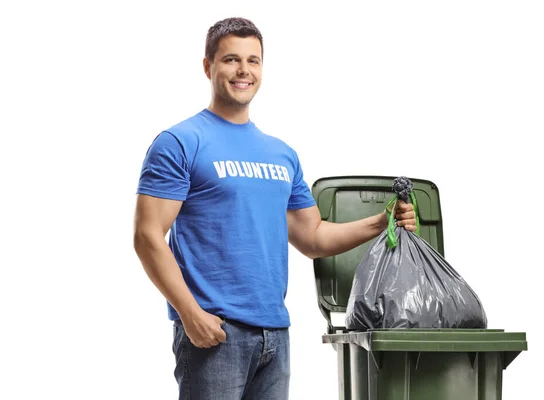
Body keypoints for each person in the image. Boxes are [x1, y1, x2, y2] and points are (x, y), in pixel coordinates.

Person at [133, 17, 416, 400]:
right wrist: (189, 313)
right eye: (231, 59)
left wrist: (382, 223)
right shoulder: (180, 142)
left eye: (254, 60)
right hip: (215, 332)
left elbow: (312, 237)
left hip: (274, 334)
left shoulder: (281, 155)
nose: (243, 71)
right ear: (208, 66)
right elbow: (148, 235)